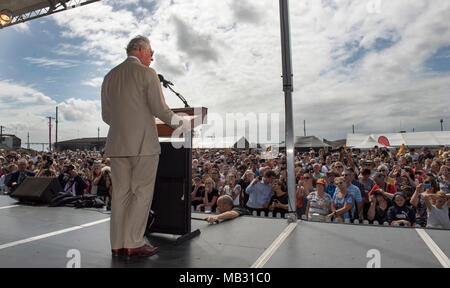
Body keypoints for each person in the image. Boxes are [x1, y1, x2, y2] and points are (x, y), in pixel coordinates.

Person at [101, 35, 186, 258]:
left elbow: (106, 115)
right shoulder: (147, 73)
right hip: (143, 145)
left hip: (117, 144)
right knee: (141, 192)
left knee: (120, 194)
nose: (152, 57)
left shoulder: (109, 76)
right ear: (140, 50)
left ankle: (118, 244)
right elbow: (159, 109)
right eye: (151, 52)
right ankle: (134, 243)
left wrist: (126, 125)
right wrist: (181, 123)